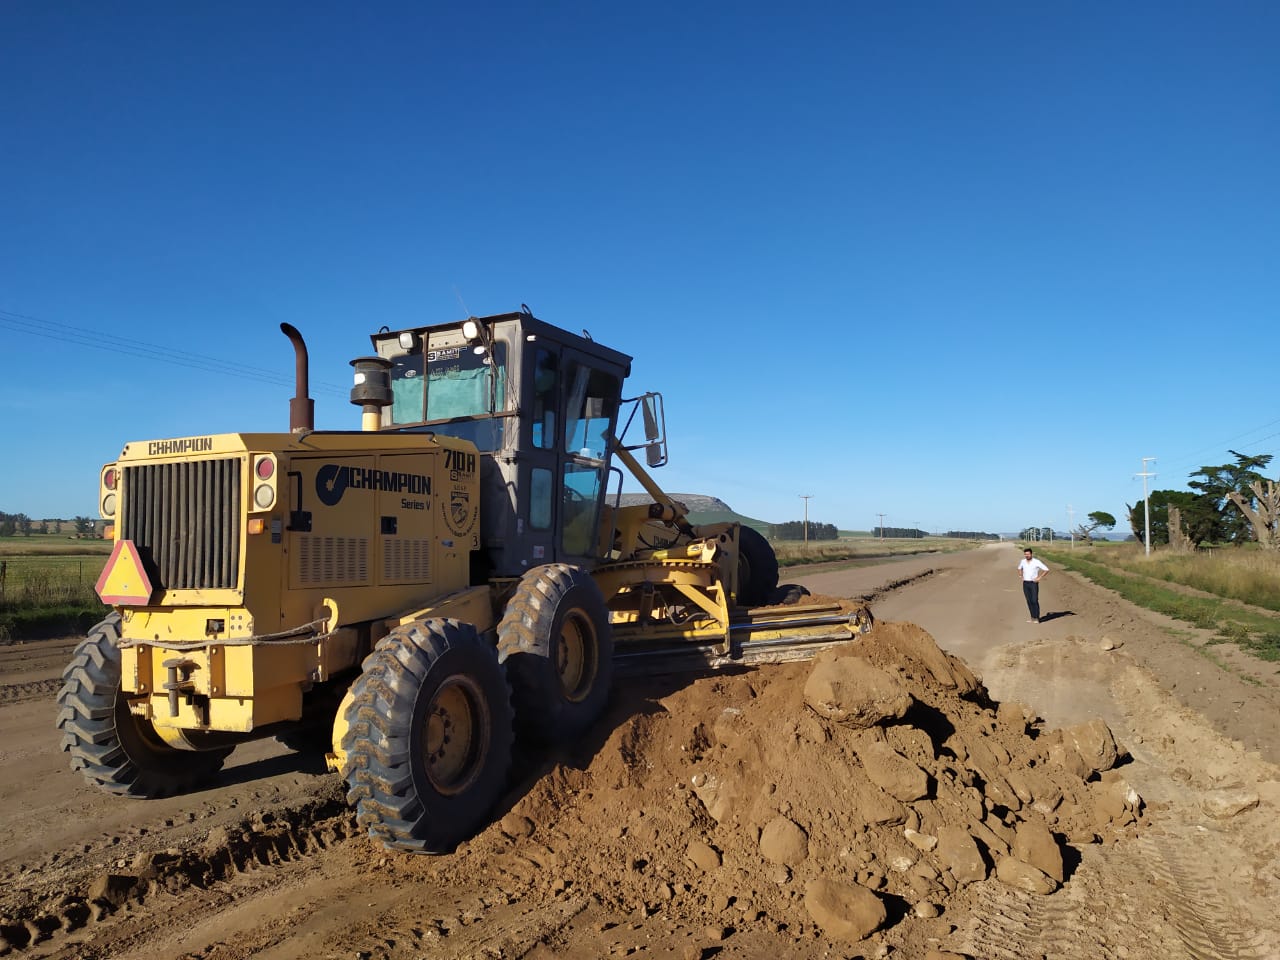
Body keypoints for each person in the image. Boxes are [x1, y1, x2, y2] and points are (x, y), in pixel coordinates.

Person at [1017, 547, 1049, 623]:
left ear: (1031, 554)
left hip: (1033, 583)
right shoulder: (1023, 561)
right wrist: (1021, 575)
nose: (1027, 555)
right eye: (1025, 554)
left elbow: (1046, 569)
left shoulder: (1036, 562)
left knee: (1034, 600)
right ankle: (1032, 617)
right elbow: (1019, 568)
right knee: (1029, 601)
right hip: (1025, 583)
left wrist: (1039, 577)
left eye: (1028, 554)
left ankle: (1037, 618)